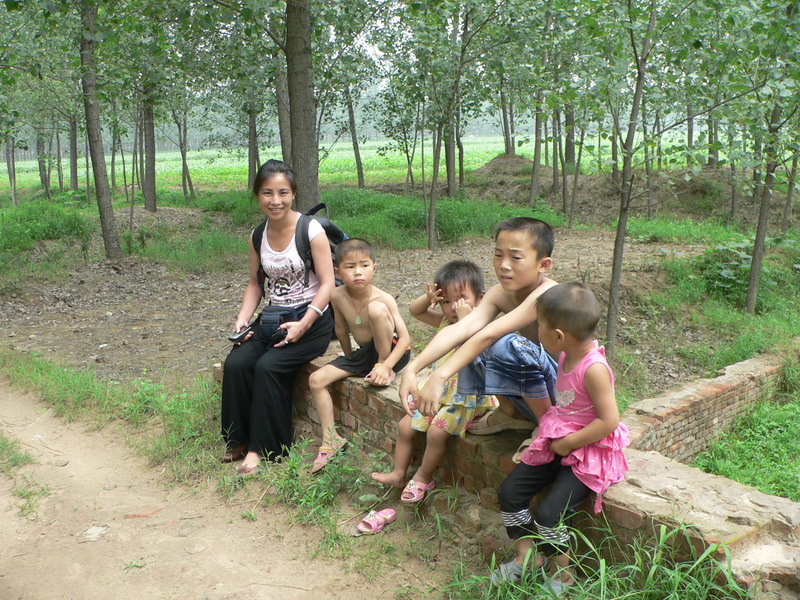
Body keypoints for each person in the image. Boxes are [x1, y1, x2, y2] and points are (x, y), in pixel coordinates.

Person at [490, 282, 630, 594]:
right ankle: (528, 556)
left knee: (550, 516)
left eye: (538, 325)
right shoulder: (566, 353)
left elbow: (609, 420)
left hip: (587, 449)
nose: (535, 329)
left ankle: (563, 574)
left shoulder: (593, 368)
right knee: (510, 492)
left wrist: (568, 444)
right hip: (560, 437)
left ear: (558, 336)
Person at [220, 159, 335, 476]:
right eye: (267, 193)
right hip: (274, 316)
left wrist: (305, 323)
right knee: (237, 363)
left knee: (268, 367)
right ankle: (237, 439)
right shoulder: (258, 235)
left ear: (294, 194)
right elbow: (256, 284)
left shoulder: (311, 230)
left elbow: (327, 284)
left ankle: (262, 448)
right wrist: (243, 319)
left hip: (313, 317)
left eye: (283, 192)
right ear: (257, 196)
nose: (275, 200)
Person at [399, 217, 559, 439]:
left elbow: (489, 334)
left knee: (505, 344)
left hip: (567, 398)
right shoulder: (500, 293)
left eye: (515, 257)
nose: (504, 264)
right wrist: (412, 369)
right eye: (498, 255)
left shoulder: (548, 294)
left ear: (544, 265)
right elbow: (460, 329)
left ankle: (549, 428)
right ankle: (510, 412)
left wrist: (439, 376)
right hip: (534, 392)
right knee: (470, 338)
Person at [371, 260, 498, 502]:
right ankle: (399, 473)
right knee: (405, 426)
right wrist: (429, 298)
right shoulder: (444, 322)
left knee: (436, 433)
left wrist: (465, 321)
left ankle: (422, 476)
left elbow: (473, 351)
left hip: (465, 397)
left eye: (460, 300)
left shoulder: (483, 328)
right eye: (446, 302)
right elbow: (415, 311)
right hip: (437, 392)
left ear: (481, 298)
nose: (452, 308)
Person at [307, 238, 411, 474]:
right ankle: (330, 439)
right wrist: (348, 358)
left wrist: (386, 364)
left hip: (392, 351)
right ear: (337, 271)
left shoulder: (384, 299)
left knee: (375, 310)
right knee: (316, 380)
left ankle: (384, 369)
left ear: (375, 267)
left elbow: (405, 339)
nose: (357, 272)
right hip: (364, 354)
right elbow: (341, 330)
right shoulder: (337, 295)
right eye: (350, 267)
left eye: (364, 265)